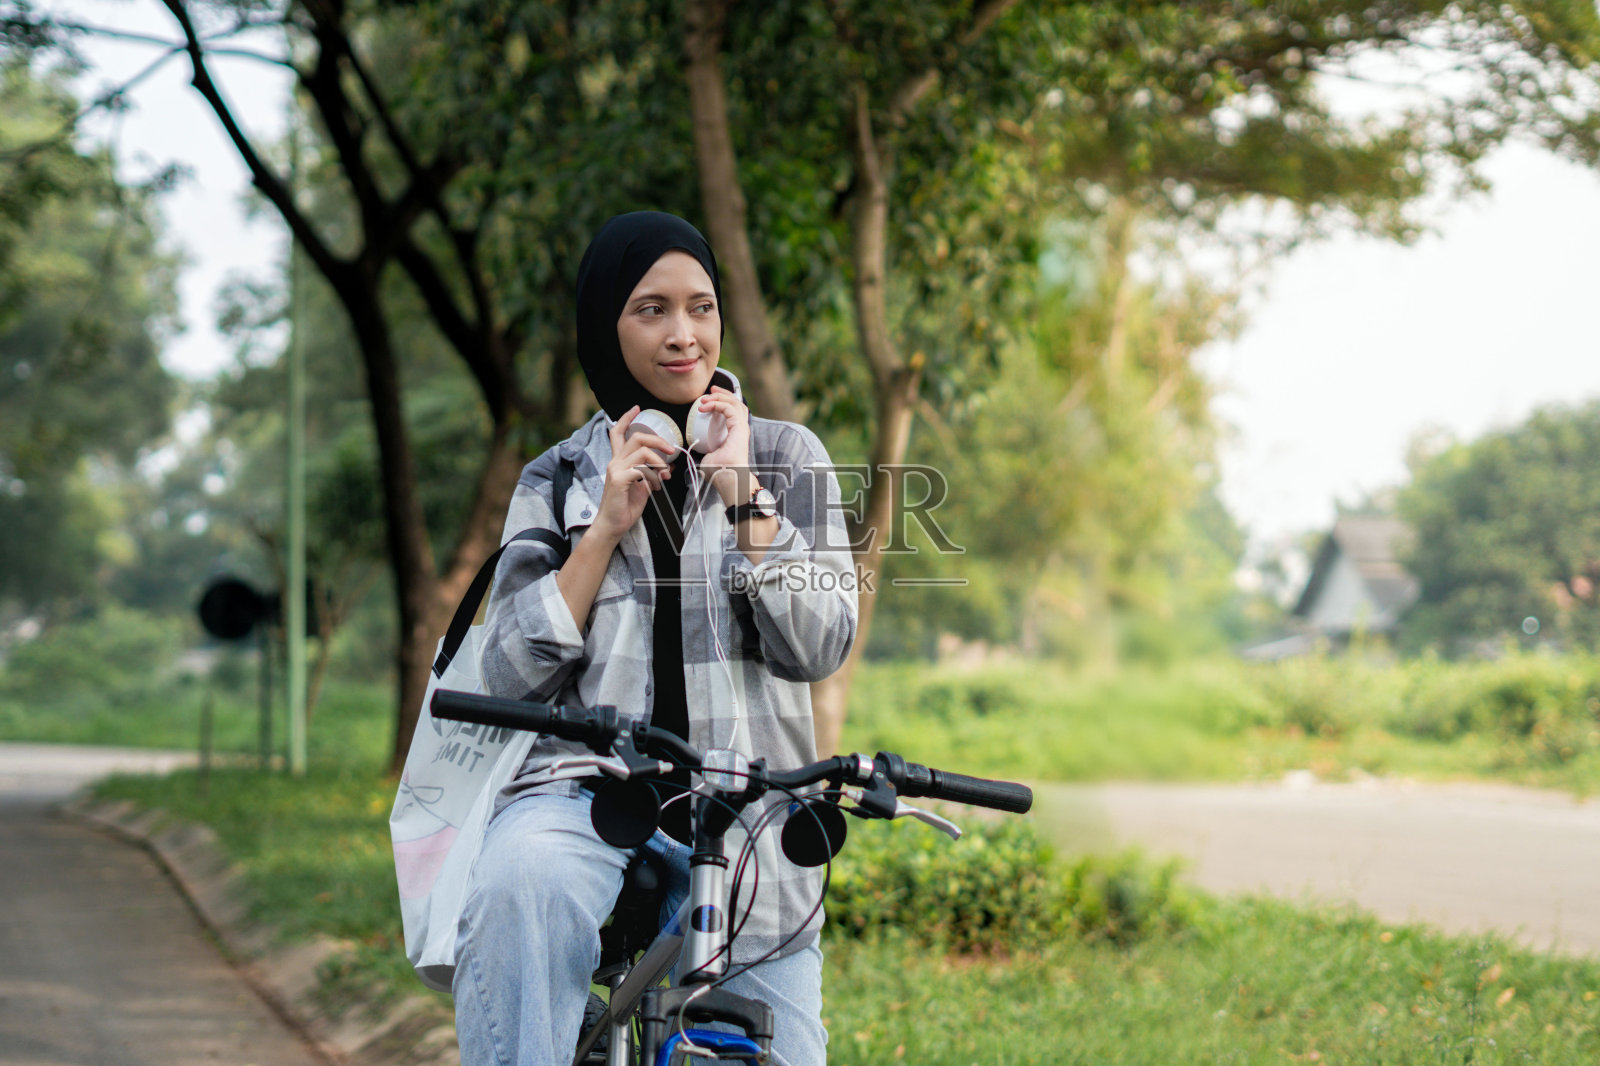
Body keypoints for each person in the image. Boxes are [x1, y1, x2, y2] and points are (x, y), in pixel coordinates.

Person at [452, 211, 858, 1065]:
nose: (685, 335)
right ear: (607, 322)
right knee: (517, 887)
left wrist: (743, 490)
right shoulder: (556, 476)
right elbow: (506, 681)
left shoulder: (788, 457)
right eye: (651, 309)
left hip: (747, 813)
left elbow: (821, 645)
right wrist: (600, 529)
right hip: (585, 800)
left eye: (701, 307)